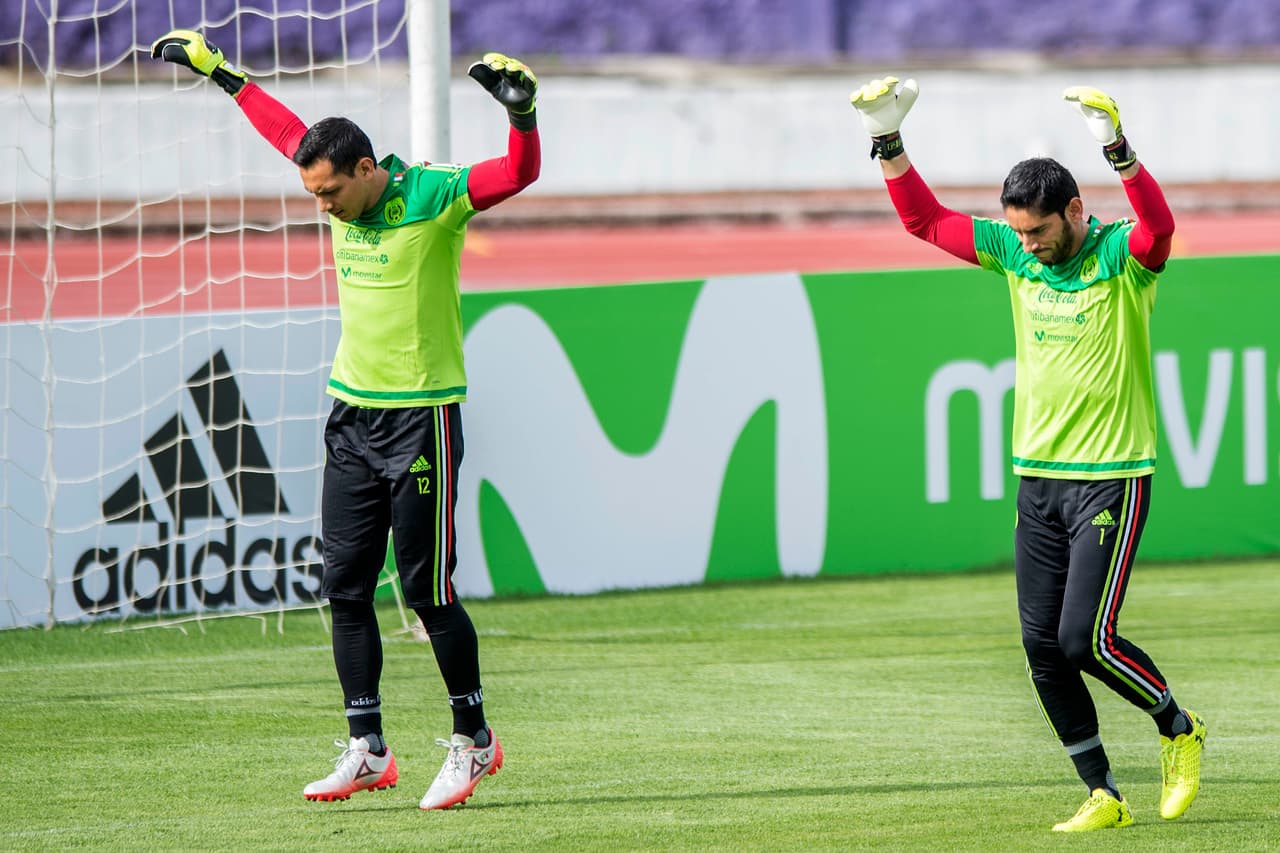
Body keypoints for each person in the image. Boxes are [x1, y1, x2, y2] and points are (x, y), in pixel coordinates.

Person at [151, 30, 541, 810]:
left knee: (428, 591)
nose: (321, 206)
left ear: (367, 170)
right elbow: (284, 127)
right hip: (350, 414)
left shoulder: (435, 195)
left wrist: (523, 113)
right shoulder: (328, 173)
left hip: (420, 419)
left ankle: (475, 739)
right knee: (344, 587)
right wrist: (220, 72)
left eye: (330, 193)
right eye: (313, 195)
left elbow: (518, 173)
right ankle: (368, 746)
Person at [849, 77, 1206, 832]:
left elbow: (1160, 227)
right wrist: (888, 137)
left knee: (1086, 640)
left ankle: (1177, 726)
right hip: (1037, 481)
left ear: (1075, 212)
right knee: (1041, 648)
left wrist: (1119, 149)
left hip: (1111, 479)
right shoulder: (1014, 249)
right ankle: (1103, 792)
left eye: (1042, 232)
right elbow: (925, 221)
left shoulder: (1121, 258)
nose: (1032, 247)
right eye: (1022, 234)